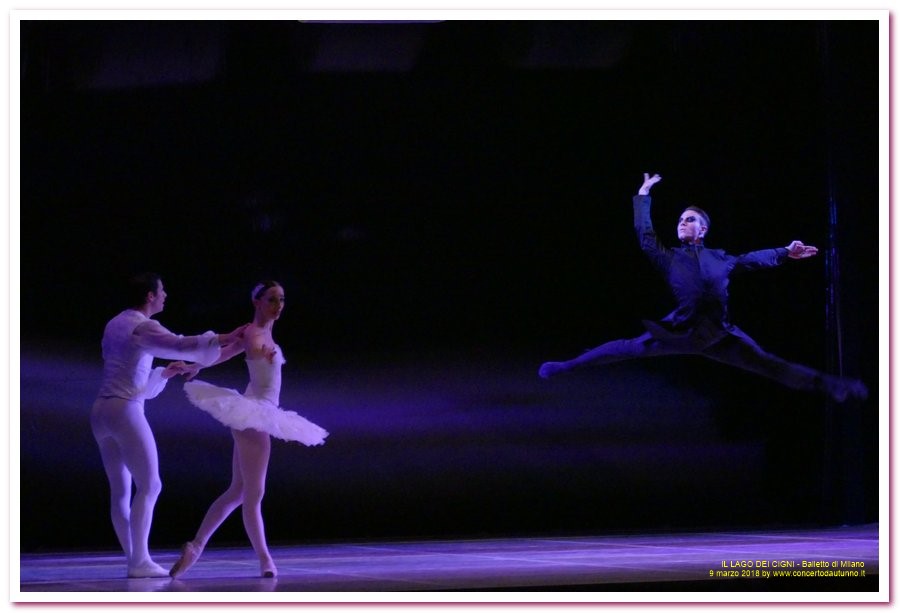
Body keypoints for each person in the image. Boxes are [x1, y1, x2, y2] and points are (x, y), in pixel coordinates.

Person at [538, 173, 868, 403]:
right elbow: (646, 236)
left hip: (720, 338)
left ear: (704, 228)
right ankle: (567, 365)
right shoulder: (669, 258)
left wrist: (785, 252)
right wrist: (642, 197)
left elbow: (751, 259)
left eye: (690, 219)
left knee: (769, 364)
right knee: (623, 347)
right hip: (677, 332)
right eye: (680, 219)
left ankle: (834, 386)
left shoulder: (721, 258)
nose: (683, 222)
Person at [91, 272, 246, 578]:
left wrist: (163, 374)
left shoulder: (114, 324)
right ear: (149, 296)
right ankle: (139, 561)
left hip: (101, 412)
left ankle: (134, 559)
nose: (165, 296)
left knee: (120, 490)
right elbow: (179, 344)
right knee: (151, 485)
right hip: (124, 411)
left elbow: (130, 373)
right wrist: (224, 338)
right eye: (162, 292)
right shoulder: (143, 326)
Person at [169, 280, 328, 579]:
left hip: (258, 413)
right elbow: (223, 353)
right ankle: (266, 561)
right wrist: (195, 367)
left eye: (281, 299)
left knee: (238, 492)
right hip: (254, 414)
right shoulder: (250, 331)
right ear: (256, 302)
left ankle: (195, 547)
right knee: (254, 494)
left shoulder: (267, 332)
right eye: (271, 299)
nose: (278, 305)